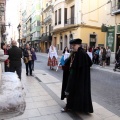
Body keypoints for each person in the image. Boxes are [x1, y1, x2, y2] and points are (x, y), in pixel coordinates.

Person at [61, 38, 93, 113]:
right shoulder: (78, 53)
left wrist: (71, 74)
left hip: (78, 78)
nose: (72, 47)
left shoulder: (81, 54)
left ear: (77, 45)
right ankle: (73, 107)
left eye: (73, 46)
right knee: (74, 92)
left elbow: (77, 67)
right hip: (78, 78)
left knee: (69, 91)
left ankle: (69, 106)